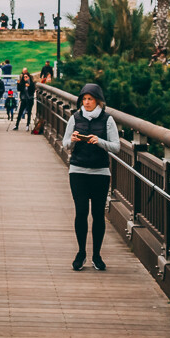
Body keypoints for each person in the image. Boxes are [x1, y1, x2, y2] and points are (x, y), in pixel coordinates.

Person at [62, 83, 119, 271]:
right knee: (81, 212)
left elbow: (116, 146)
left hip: (100, 173)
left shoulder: (107, 120)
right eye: (84, 99)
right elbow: (65, 144)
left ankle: (97, 255)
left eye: (90, 100)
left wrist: (99, 141)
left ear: (98, 101)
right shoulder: (75, 118)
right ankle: (81, 253)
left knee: (98, 215)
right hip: (77, 171)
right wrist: (73, 140)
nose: (86, 103)